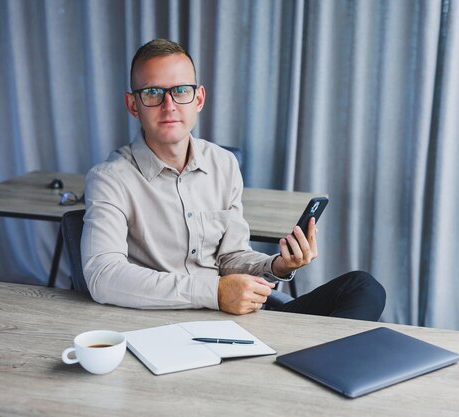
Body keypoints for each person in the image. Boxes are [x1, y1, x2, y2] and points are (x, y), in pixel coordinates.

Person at [81, 39, 385, 320]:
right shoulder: (110, 179)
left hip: (235, 317)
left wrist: (276, 265)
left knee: (364, 286)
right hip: (165, 324)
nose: (169, 105)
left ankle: (312, 365)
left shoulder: (222, 163)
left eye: (181, 91)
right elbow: (103, 277)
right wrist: (214, 292)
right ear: (133, 105)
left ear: (198, 98)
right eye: (152, 93)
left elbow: (231, 255)